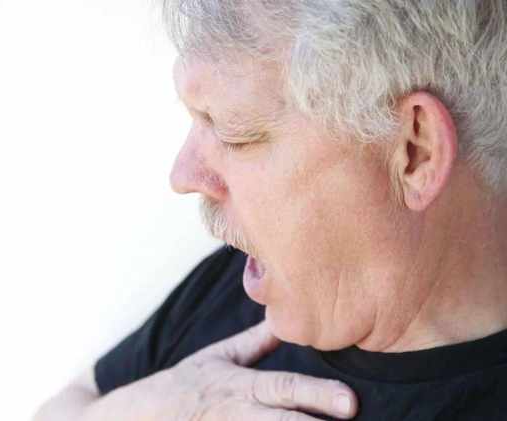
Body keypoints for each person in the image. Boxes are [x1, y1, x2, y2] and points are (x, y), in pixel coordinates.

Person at [34, 1, 507, 420]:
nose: (183, 175)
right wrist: (160, 408)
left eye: (235, 133)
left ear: (415, 153)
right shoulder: (255, 277)